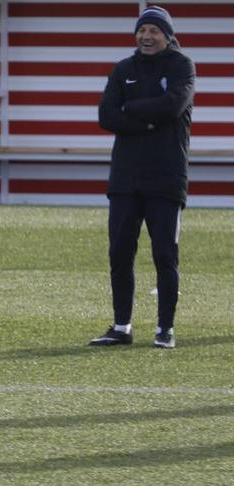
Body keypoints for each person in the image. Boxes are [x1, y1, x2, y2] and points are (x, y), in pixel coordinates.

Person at [90, 6, 195, 349]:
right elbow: (106, 115)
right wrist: (147, 118)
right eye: (142, 30)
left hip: (166, 179)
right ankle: (122, 327)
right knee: (120, 252)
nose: (146, 37)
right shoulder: (123, 70)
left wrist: (131, 109)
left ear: (167, 35)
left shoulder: (182, 66)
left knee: (165, 255)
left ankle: (165, 329)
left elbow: (173, 107)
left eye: (154, 31)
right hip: (124, 179)